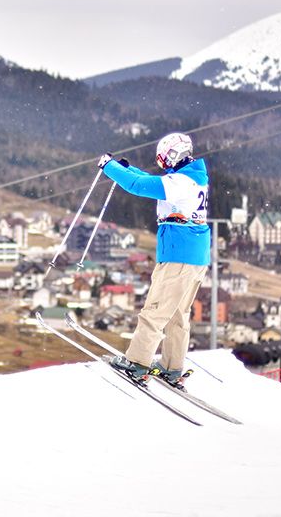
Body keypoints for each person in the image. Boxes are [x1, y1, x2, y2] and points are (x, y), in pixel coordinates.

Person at [97, 132, 210, 388]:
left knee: (155, 310)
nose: (163, 164)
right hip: (195, 255)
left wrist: (109, 167)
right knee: (177, 313)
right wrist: (128, 169)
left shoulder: (180, 183)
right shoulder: (193, 178)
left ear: (173, 155)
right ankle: (172, 365)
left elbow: (139, 186)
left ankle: (137, 362)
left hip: (178, 255)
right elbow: (150, 181)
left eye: (164, 159)